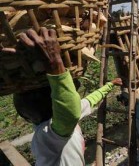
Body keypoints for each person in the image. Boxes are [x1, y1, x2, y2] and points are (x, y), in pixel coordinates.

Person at [13, 27, 122, 166]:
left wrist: (110, 84)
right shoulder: (47, 135)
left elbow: (88, 101)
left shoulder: (61, 125)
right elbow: (70, 112)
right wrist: (54, 64)